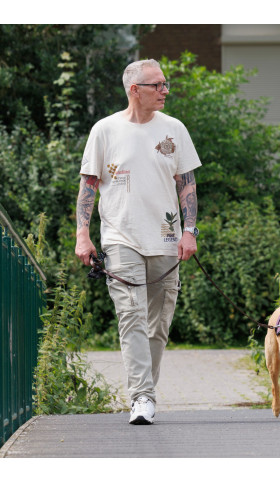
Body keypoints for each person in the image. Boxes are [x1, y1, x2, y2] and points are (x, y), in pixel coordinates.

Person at [75, 59, 201, 425]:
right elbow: (88, 185)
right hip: (120, 239)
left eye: (165, 84)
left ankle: (146, 390)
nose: (165, 90)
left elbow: (187, 184)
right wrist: (83, 234)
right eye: (157, 85)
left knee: (157, 325)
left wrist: (190, 230)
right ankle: (142, 397)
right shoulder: (105, 130)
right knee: (130, 318)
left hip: (165, 240)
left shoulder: (174, 129)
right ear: (135, 90)